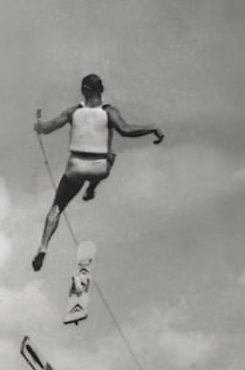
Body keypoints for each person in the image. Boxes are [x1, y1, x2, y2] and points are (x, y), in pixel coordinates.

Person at [31, 74, 164, 271]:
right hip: (100, 167)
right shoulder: (109, 111)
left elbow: (48, 127)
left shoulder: (72, 112)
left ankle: (43, 248)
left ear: (84, 91)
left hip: (75, 167)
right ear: (101, 91)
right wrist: (152, 127)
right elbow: (126, 130)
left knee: (57, 207)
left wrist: (39, 125)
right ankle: (91, 189)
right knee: (110, 158)